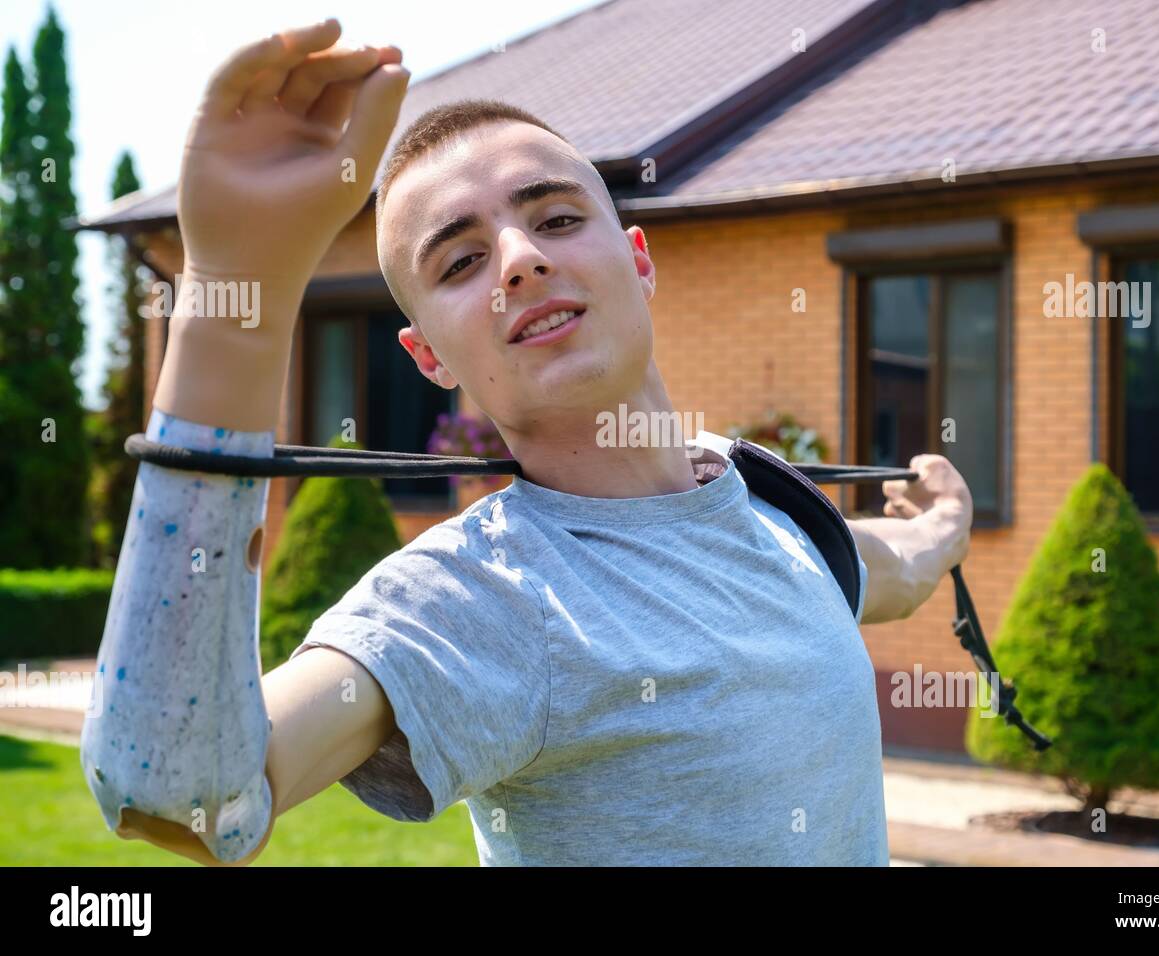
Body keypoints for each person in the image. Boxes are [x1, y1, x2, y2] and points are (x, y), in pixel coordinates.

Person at [84, 18, 972, 866]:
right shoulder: (482, 603)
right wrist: (229, 297)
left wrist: (942, 526)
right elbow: (188, 800)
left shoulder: (771, 504)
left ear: (639, 260)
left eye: (554, 219)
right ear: (427, 355)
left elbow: (882, 568)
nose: (519, 258)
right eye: (461, 262)